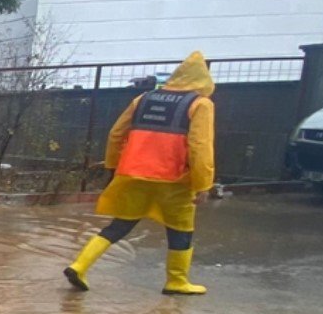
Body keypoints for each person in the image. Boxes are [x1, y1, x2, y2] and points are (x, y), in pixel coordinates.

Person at [65, 50, 216, 296]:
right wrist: (203, 184)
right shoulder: (201, 105)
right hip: (173, 179)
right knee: (181, 229)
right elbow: (200, 146)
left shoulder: (143, 99)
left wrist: (113, 168)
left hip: (132, 173)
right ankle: (177, 281)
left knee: (121, 224)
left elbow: (116, 133)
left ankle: (79, 265)